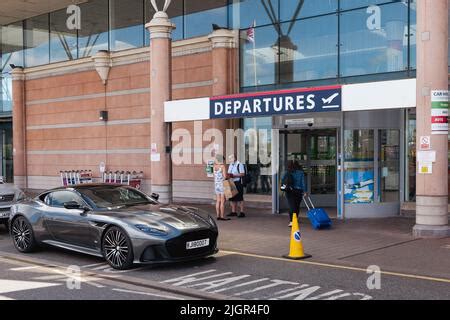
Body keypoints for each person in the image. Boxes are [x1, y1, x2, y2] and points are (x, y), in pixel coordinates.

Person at [282, 160, 307, 227]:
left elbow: (283, 181)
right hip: (298, 191)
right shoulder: (301, 173)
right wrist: (304, 191)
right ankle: (295, 219)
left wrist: (283, 189)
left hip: (289, 191)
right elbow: (303, 183)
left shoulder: (287, 172)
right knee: (296, 206)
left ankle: (292, 221)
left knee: (291, 206)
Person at [213, 155, 230, 221]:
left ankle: (218, 216)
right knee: (222, 201)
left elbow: (214, 176)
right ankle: (222, 216)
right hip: (222, 184)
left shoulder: (214, 166)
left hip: (216, 185)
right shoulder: (222, 166)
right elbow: (225, 176)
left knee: (218, 201)